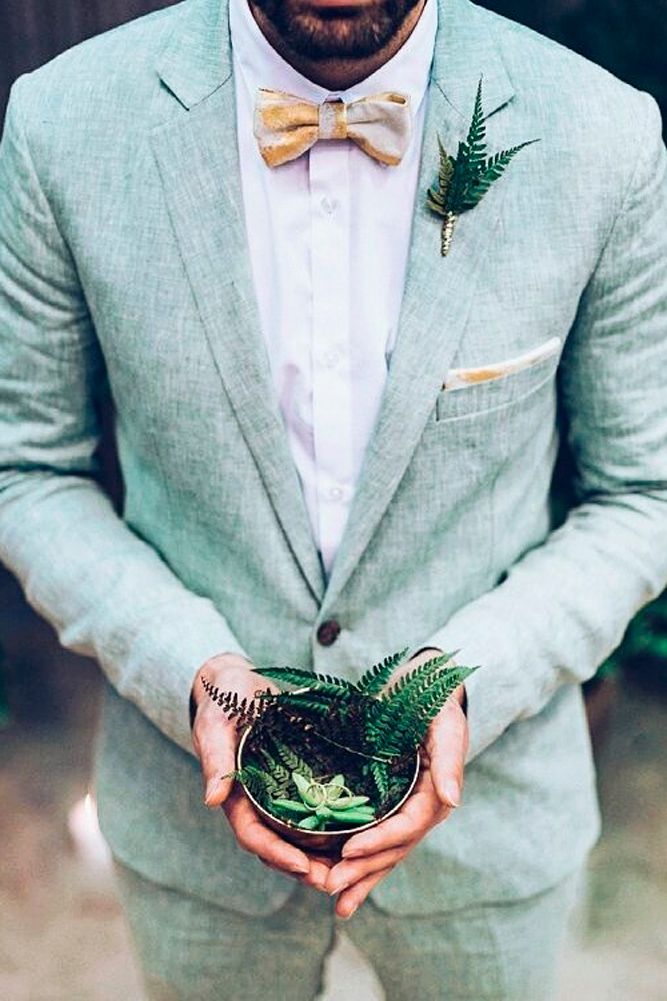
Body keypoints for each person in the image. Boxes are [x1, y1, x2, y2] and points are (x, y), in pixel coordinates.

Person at [1, 0, 666, 996]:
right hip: (193, 838)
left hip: (492, 836)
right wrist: (196, 672)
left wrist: (457, 687)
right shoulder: (61, 125)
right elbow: (28, 469)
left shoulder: (600, 135)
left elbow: (639, 493)